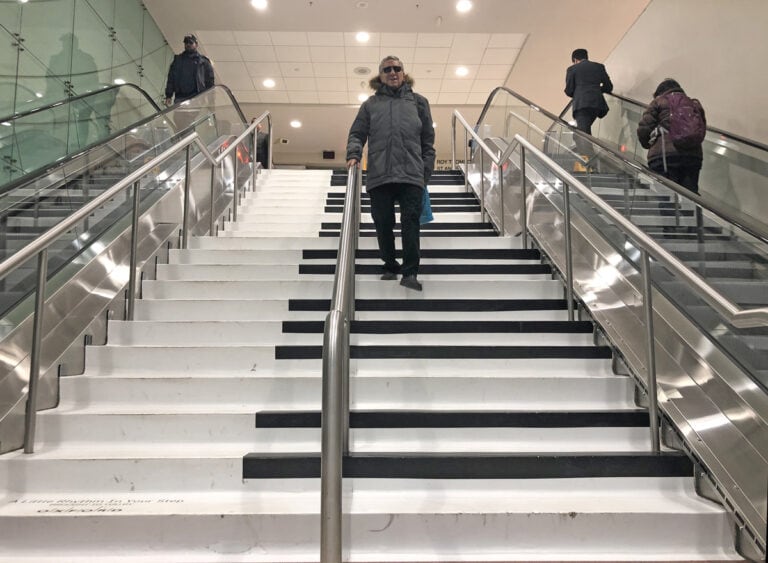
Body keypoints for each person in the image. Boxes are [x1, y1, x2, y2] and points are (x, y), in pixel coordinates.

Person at [346, 56, 435, 291]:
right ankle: (389, 264)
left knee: (410, 224)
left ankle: (410, 273)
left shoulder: (419, 102)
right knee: (383, 223)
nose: (393, 72)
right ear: (380, 75)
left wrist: (425, 171)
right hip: (380, 174)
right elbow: (357, 133)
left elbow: (428, 141)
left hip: (411, 174)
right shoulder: (370, 105)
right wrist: (353, 154)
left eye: (397, 69)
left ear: (404, 74)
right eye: (387, 69)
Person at [636, 78, 706, 194]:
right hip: (693, 156)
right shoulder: (694, 104)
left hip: (664, 156)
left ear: (659, 92)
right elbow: (701, 128)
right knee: (690, 198)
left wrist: (647, 144)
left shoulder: (659, 102)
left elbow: (644, 129)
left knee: (666, 198)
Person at [564, 48, 613, 161]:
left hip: (581, 104)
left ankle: (590, 162)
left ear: (575, 59)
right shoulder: (599, 67)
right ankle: (586, 157)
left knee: (583, 134)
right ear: (586, 57)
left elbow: (569, 90)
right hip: (597, 103)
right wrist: (595, 90)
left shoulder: (572, 69)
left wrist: (579, 92)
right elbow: (609, 87)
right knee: (580, 132)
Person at [164, 34, 214, 106]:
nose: (188, 44)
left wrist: (211, 101)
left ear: (196, 45)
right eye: (186, 43)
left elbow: (210, 81)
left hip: (197, 97)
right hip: (180, 96)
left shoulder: (203, 62)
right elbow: (171, 78)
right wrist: (168, 95)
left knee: (193, 116)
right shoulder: (178, 60)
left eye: (191, 43)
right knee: (179, 117)